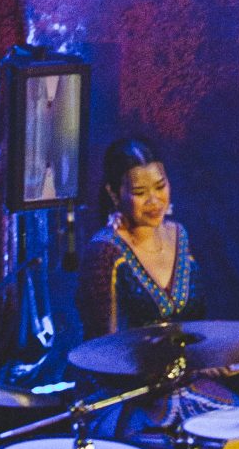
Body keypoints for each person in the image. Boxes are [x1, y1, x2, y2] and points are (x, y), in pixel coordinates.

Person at [77, 137, 206, 335]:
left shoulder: (179, 234)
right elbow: (102, 343)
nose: (153, 201)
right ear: (114, 193)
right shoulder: (104, 251)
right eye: (140, 192)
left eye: (160, 186)